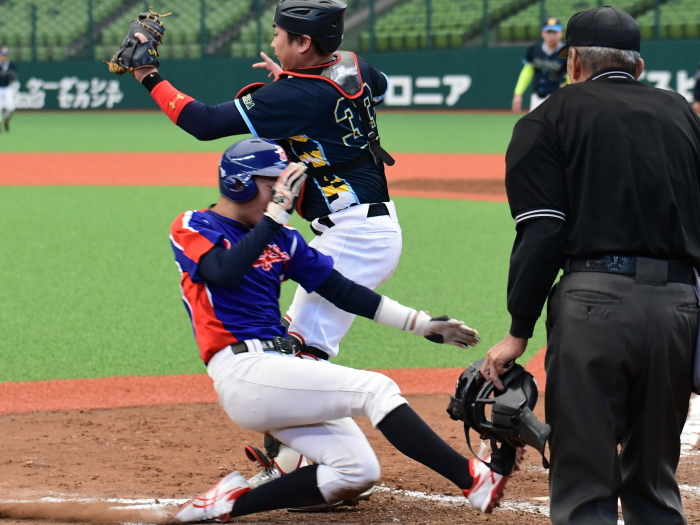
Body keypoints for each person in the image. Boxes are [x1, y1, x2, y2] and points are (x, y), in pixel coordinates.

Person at [119, 0, 401, 492]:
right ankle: (299, 455)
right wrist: (295, 84)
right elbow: (375, 89)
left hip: (356, 234)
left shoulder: (295, 96)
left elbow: (204, 123)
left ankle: (305, 464)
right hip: (360, 227)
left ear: (303, 43)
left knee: (297, 354)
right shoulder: (350, 64)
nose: (272, 42)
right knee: (298, 344)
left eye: (279, 35)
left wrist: (147, 74)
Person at [166, 137, 512, 522]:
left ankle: (226, 504)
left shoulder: (283, 239)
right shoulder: (195, 225)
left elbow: (341, 290)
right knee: (376, 389)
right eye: (273, 184)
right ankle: (472, 479)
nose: (285, 195)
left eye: (286, 185)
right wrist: (274, 218)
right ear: (239, 183)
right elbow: (223, 271)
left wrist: (421, 324)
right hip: (243, 370)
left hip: (278, 372)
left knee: (357, 471)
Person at [483, 7, 700, 525]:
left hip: (594, 306)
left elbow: (543, 232)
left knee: (583, 478)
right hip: (678, 308)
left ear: (573, 61)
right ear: (638, 66)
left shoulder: (548, 117)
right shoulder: (682, 115)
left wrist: (518, 330)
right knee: (655, 477)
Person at [511, 18, 568, 112]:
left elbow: (570, 77)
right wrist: (518, 93)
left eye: (555, 32)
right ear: (543, 33)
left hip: (558, 98)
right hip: (537, 98)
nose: (552, 35)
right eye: (549, 32)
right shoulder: (534, 50)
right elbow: (527, 72)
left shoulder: (567, 52)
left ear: (561, 33)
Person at [0, 46, 17, 132]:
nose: (4, 57)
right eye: (3, 55)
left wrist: (11, 76)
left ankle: (6, 121)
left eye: (6, 55)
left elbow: (15, 76)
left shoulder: (11, 65)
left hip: (7, 88)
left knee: (11, 108)